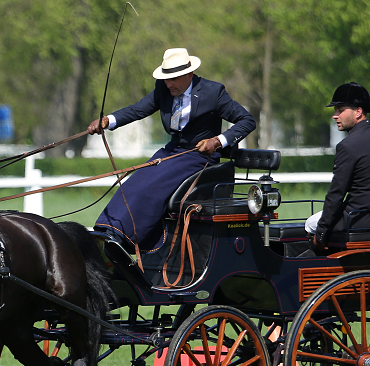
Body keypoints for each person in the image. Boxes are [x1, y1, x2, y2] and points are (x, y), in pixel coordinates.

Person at [89, 48, 256, 250]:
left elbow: (247, 120)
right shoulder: (163, 89)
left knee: (153, 184)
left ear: (189, 75)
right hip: (171, 152)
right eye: (166, 78)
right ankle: (108, 230)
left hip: (198, 157)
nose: (169, 83)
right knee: (135, 181)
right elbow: (138, 109)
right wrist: (108, 120)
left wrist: (218, 141)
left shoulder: (213, 92)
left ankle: (126, 240)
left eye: (173, 78)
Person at [301, 82, 370, 254]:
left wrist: (321, 233)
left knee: (310, 224)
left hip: (358, 219)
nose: (334, 115)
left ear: (358, 112)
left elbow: (336, 194)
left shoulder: (348, 146)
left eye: (340, 110)